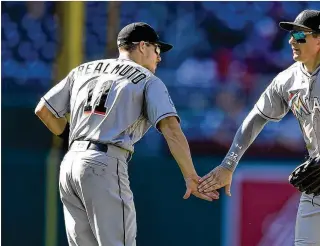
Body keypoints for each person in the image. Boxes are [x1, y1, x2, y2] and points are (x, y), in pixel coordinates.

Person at [198, 10, 320, 246]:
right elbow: (255, 118)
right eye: (292, 35)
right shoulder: (286, 79)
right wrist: (229, 164)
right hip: (317, 177)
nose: (292, 40)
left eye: (300, 36)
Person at [35, 22, 219, 246]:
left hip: (70, 164)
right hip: (105, 162)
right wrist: (191, 176)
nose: (159, 58)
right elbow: (171, 128)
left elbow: (44, 111)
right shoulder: (147, 79)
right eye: (157, 50)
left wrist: (73, 141)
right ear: (142, 46)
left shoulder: (83, 70)